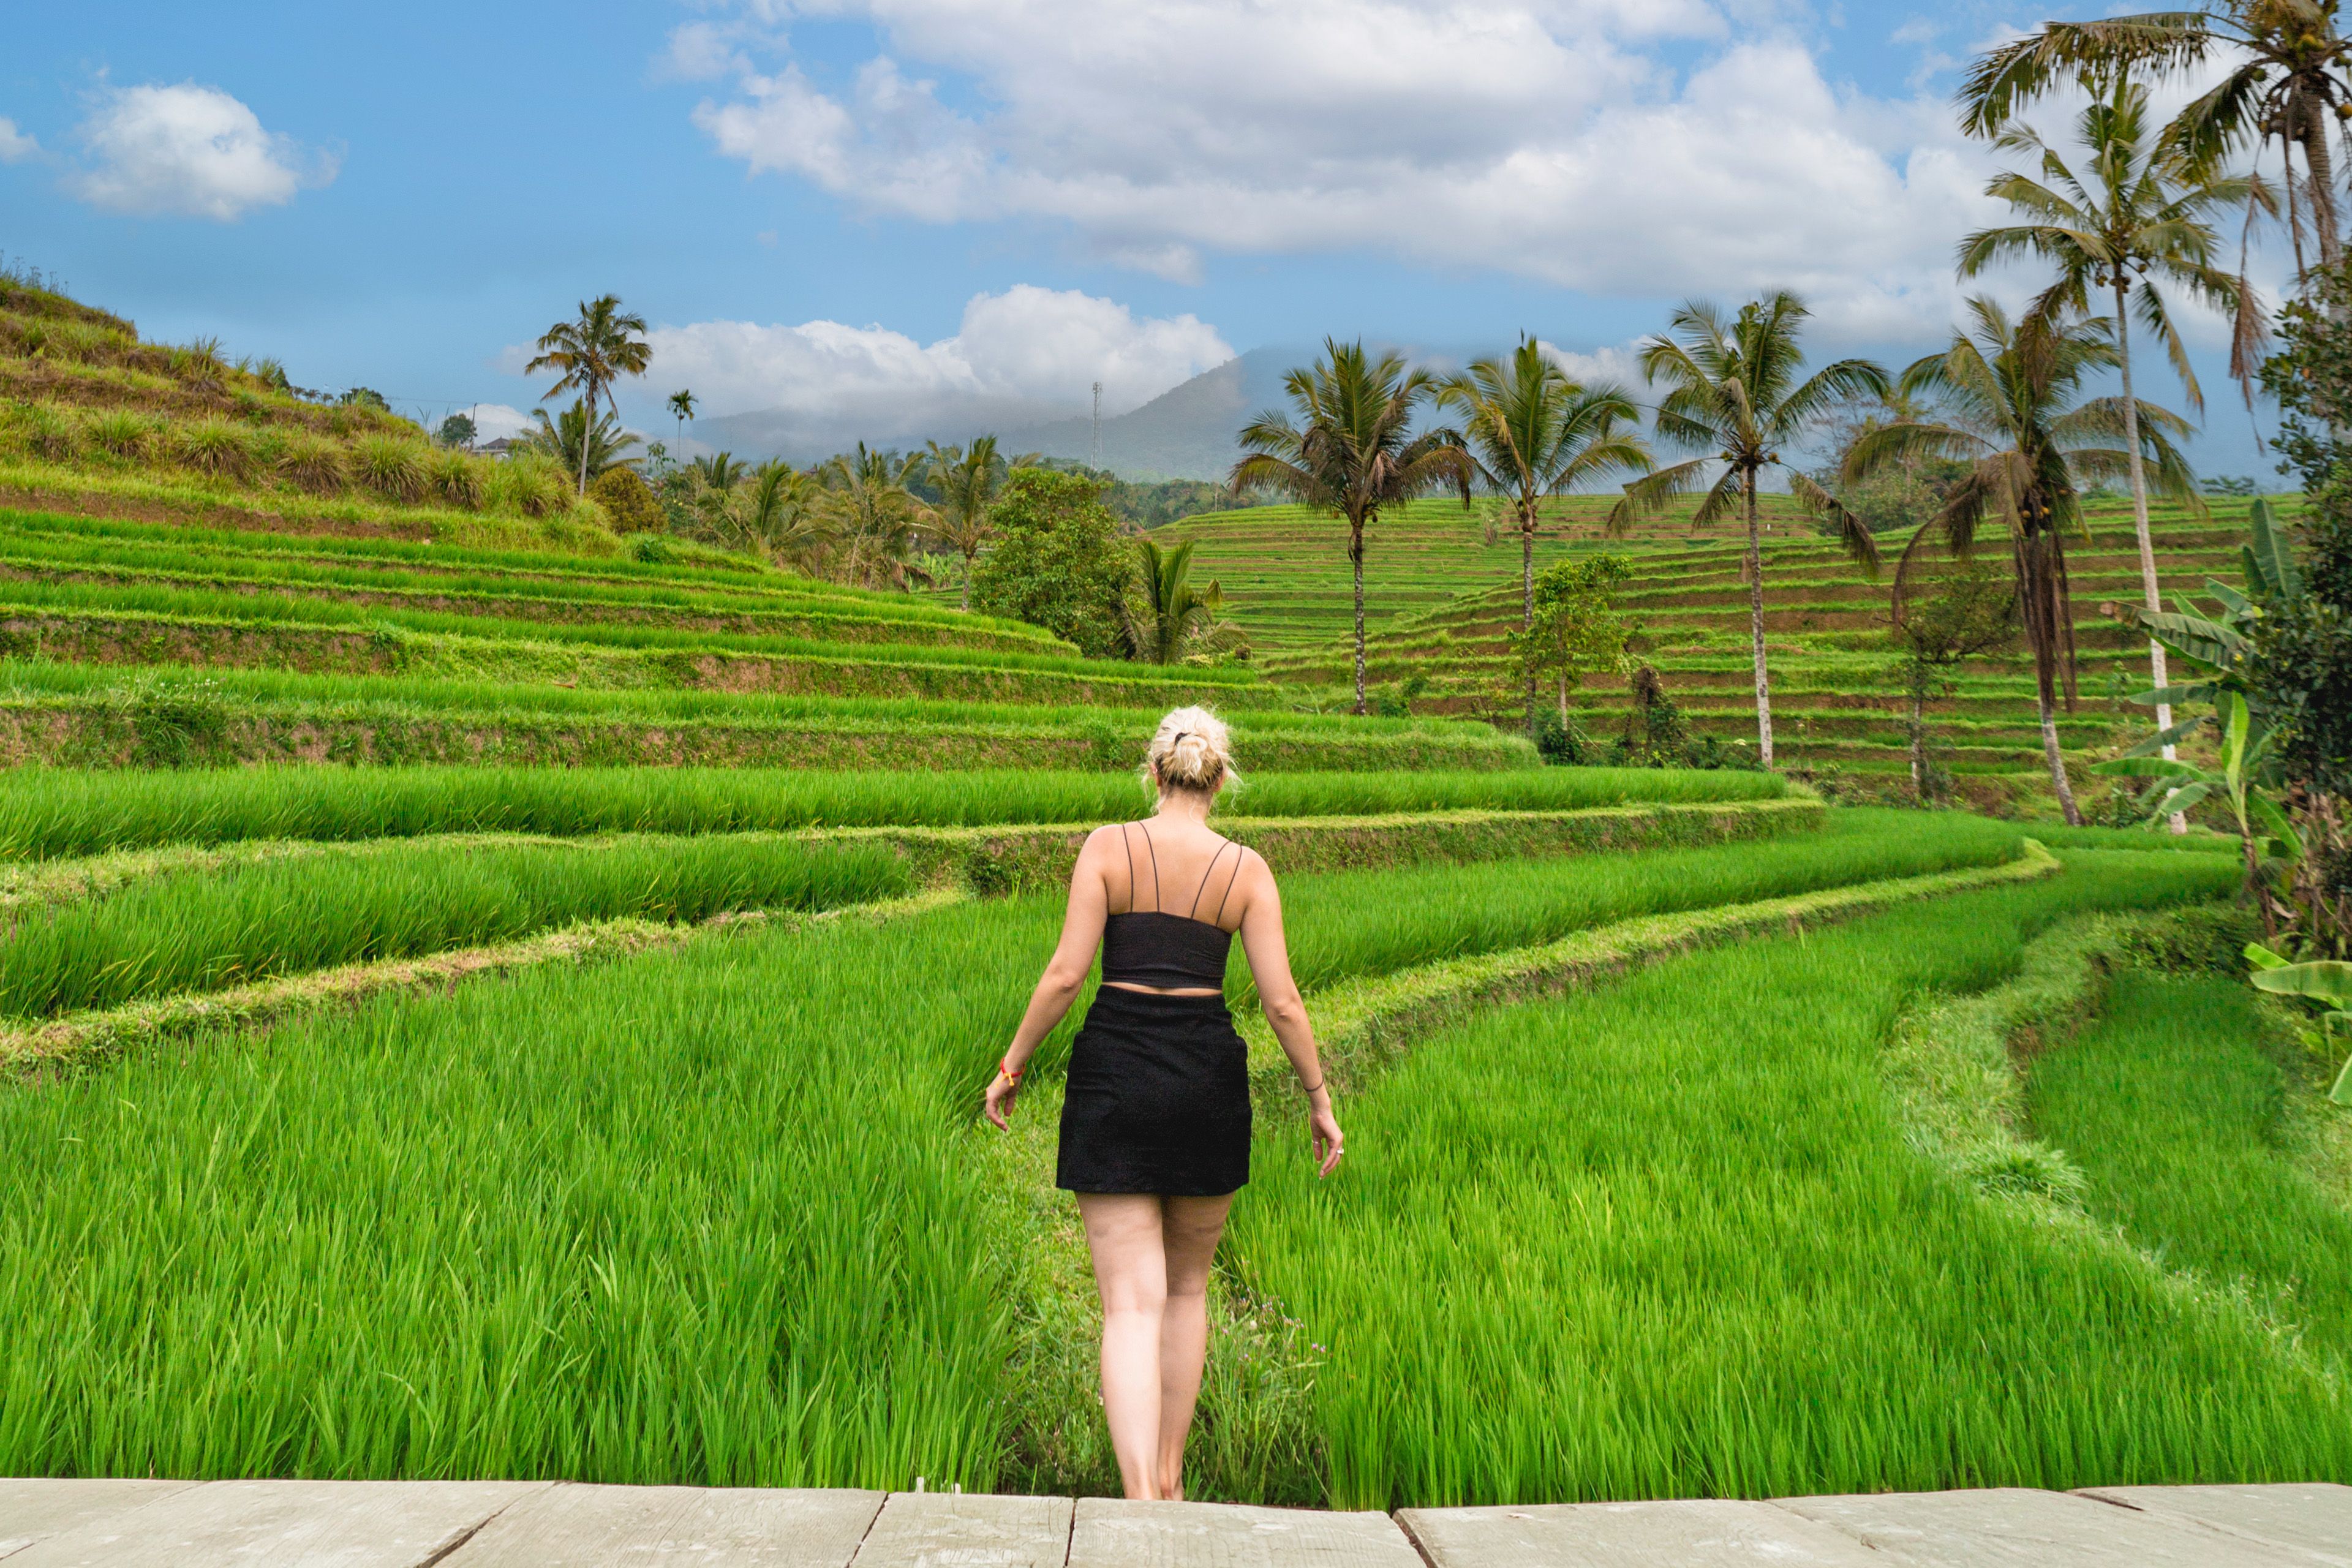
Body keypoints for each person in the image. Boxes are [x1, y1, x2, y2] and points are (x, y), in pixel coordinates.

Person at [983, 705, 1343, 1501]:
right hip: (1205, 1081)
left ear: (1155, 772)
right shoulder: (1246, 871)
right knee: (1187, 1292)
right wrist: (1318, 1099)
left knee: (1130, 1307)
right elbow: (1282, 1003)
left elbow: (1066, 978)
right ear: (1221, 781)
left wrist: (1012, 1068)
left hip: (1116, 1073)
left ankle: (1140, 1496)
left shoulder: (1108, 849)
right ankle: (1171, 1483)